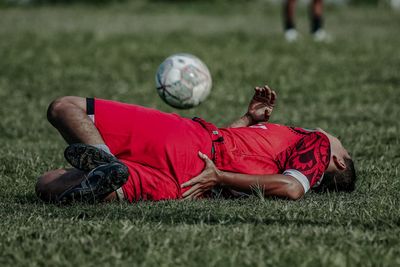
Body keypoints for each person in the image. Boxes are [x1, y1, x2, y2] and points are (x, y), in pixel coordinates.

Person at [36, 85, 356, 203]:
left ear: (339, 162)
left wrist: (219, 177)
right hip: (188, 184)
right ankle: (107, 167)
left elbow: (292, 188)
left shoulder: (316, 144)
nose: (336, 139)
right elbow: (235, 151)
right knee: (48, 183)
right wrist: (246, 119)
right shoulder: (283, 153)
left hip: (188, 143)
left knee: (66, 107)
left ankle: (104, 159)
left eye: (344, 149)